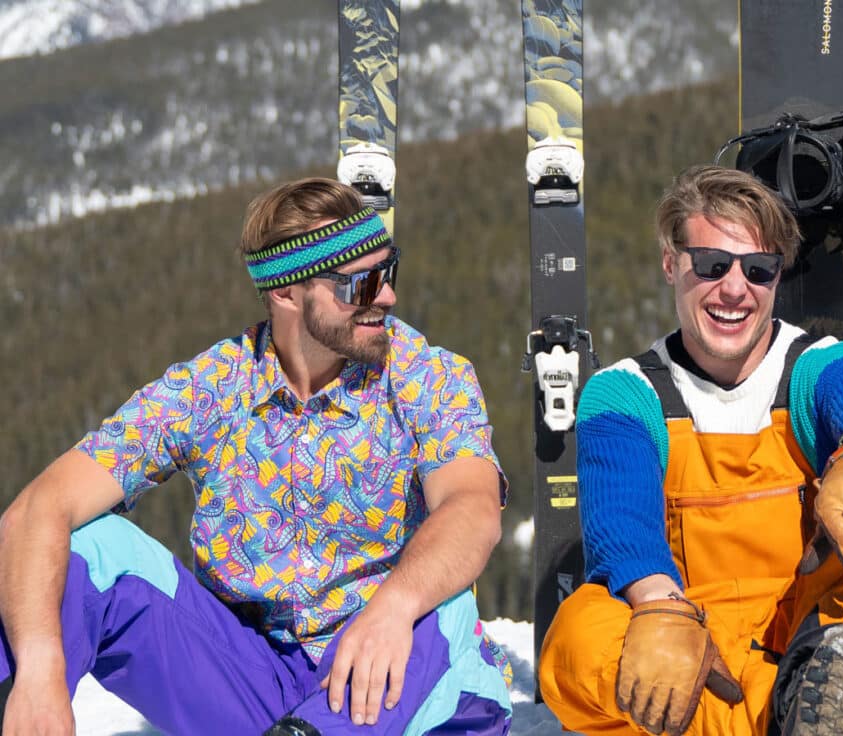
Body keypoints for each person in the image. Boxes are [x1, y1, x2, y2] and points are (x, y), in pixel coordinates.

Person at [0, 177, 513, 735]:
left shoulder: (427, 376)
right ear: (286, 293)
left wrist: (394, 605)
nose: (386, 296)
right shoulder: (212, 388)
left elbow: (472, 509)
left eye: (388, 272)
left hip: (397, 681)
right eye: (359, 284)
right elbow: (37, 509)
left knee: (444, 599)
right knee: (86, 551)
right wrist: (40, 667)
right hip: (255, 678)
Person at [537, 165, 843, 736]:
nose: (735, 289)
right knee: (577, 635)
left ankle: (830, 703)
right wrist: (659, 606)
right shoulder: (627, 392)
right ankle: (827, 722)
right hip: (688, 645)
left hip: (813, 642)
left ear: (777, 278)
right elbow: (621, 525)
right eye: (712, 264)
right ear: (671, 262)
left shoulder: (810, 366)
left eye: (758, 270)